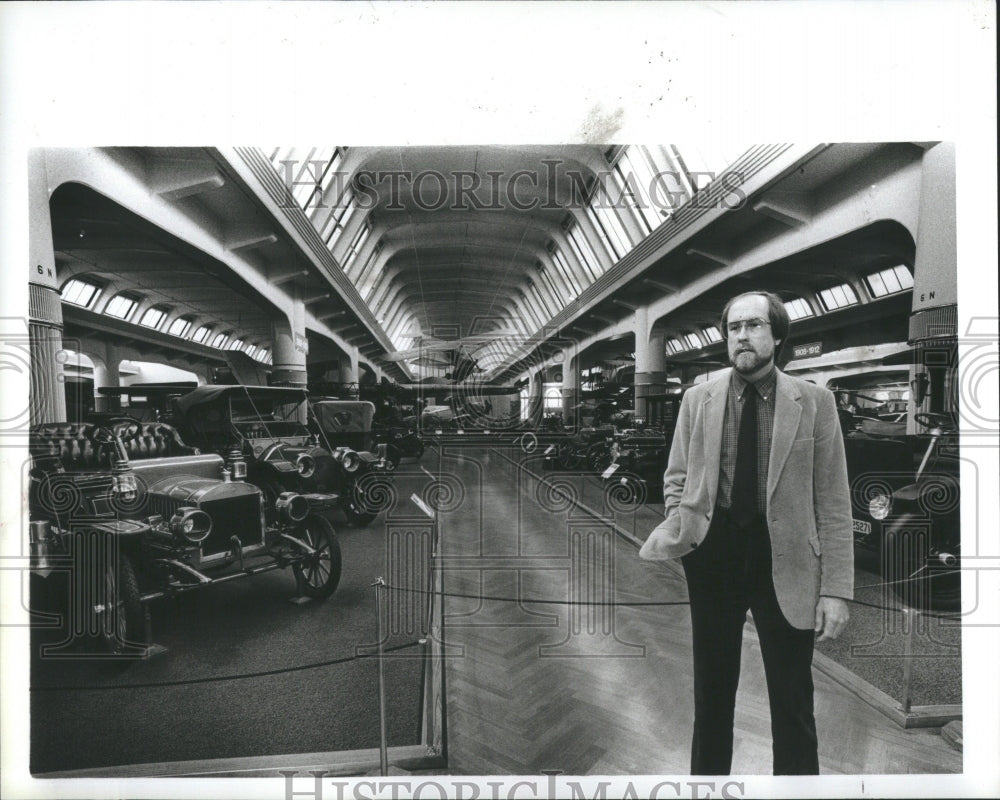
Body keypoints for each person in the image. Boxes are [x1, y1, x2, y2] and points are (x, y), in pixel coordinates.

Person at [639, 290, 853, 776]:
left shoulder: (815, 402)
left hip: (789, 559)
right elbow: (675, 477)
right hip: (714, 556)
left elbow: (834, 501)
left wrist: (837, 589)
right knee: (711, 693)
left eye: (754, 325)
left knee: (792, 698)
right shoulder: (699, 399)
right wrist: (686, 525)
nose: (742, 336)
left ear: (777, 335)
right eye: (734, 328)